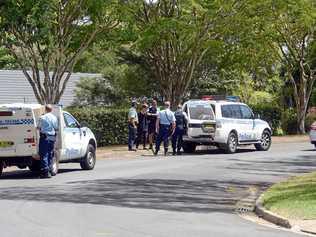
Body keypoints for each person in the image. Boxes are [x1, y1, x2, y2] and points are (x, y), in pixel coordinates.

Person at [37, 104, 58, 179]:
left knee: (44, 154)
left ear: (45, 109)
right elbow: (56, 127)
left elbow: (38, 127)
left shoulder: (42, 117)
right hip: (52, 138)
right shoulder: (54, 117)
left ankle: (45, 172)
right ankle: (49, 170)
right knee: (50, 154)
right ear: (51, 110)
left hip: (44, 138)